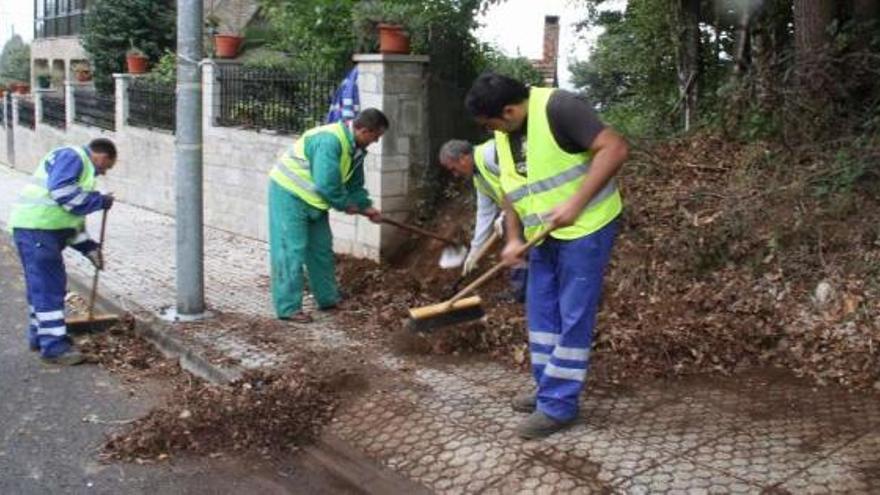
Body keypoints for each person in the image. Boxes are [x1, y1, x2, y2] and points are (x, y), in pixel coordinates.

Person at [465, 72, 629, 439]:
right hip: (543, 238)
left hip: (587, 229)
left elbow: (615, 148)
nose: (490, 130)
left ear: (508, 111)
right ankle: (546, 387)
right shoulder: (504, 135)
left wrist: (575, 202)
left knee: (573, 316)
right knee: (541, 312)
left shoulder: (560, 107)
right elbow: (511, 191)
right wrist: (511, 237)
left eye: (491, 123)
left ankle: (559, 406)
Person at [268, 108, 387, 323]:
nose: (376, 141)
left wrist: (365, 206)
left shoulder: (356, 149)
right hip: (289, 195)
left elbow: (354, 184)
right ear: (362, 130)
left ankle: (328, 299)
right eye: (375, 136)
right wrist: (345, 204)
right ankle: (288, 307)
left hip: (314, 201)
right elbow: (326, 183)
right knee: (291, 249)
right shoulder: (329, 141)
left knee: (321, 249)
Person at [7, 138, 117, 365]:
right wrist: (99, 200)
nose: (103, 173)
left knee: (40, 288)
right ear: (102, 157)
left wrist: (89, 248)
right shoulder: (74, 157)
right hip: (38, 230)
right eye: (106, 167)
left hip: (38, 230)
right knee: (50, 287)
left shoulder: (77, 165)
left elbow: (70, 223)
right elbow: (63, 195)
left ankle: (40, 336)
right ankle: (54, 347)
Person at [438, 138, 526, 301]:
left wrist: (505, 215)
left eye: (454, 169)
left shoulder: (490, 155)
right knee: (516, 239)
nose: (455, 174)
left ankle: (523, 291)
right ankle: (521, 291)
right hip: (520, 211)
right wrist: (474, 253)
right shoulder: (479, 177)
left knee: (522, 241)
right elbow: (485, 214)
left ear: (463, 158)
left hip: (536, 205)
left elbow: (519, 181)